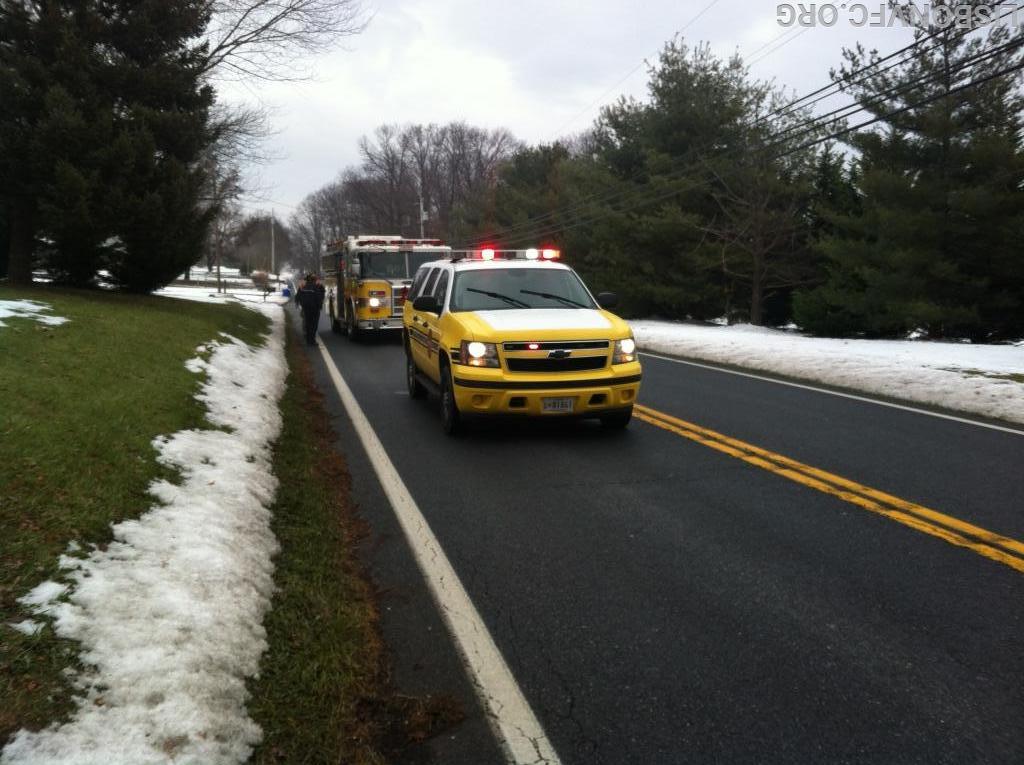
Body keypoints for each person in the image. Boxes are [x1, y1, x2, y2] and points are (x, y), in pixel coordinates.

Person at [296, 274, 323, 346]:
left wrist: (301, 304)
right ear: (314, 280)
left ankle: (308, 340)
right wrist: (319, 306)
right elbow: (319, 297)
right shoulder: (316, 287)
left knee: (308, 324)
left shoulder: (303, 287)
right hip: (314, 309)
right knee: (314, 325)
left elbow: (298, 296)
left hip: (306, 309)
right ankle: (312, 340)